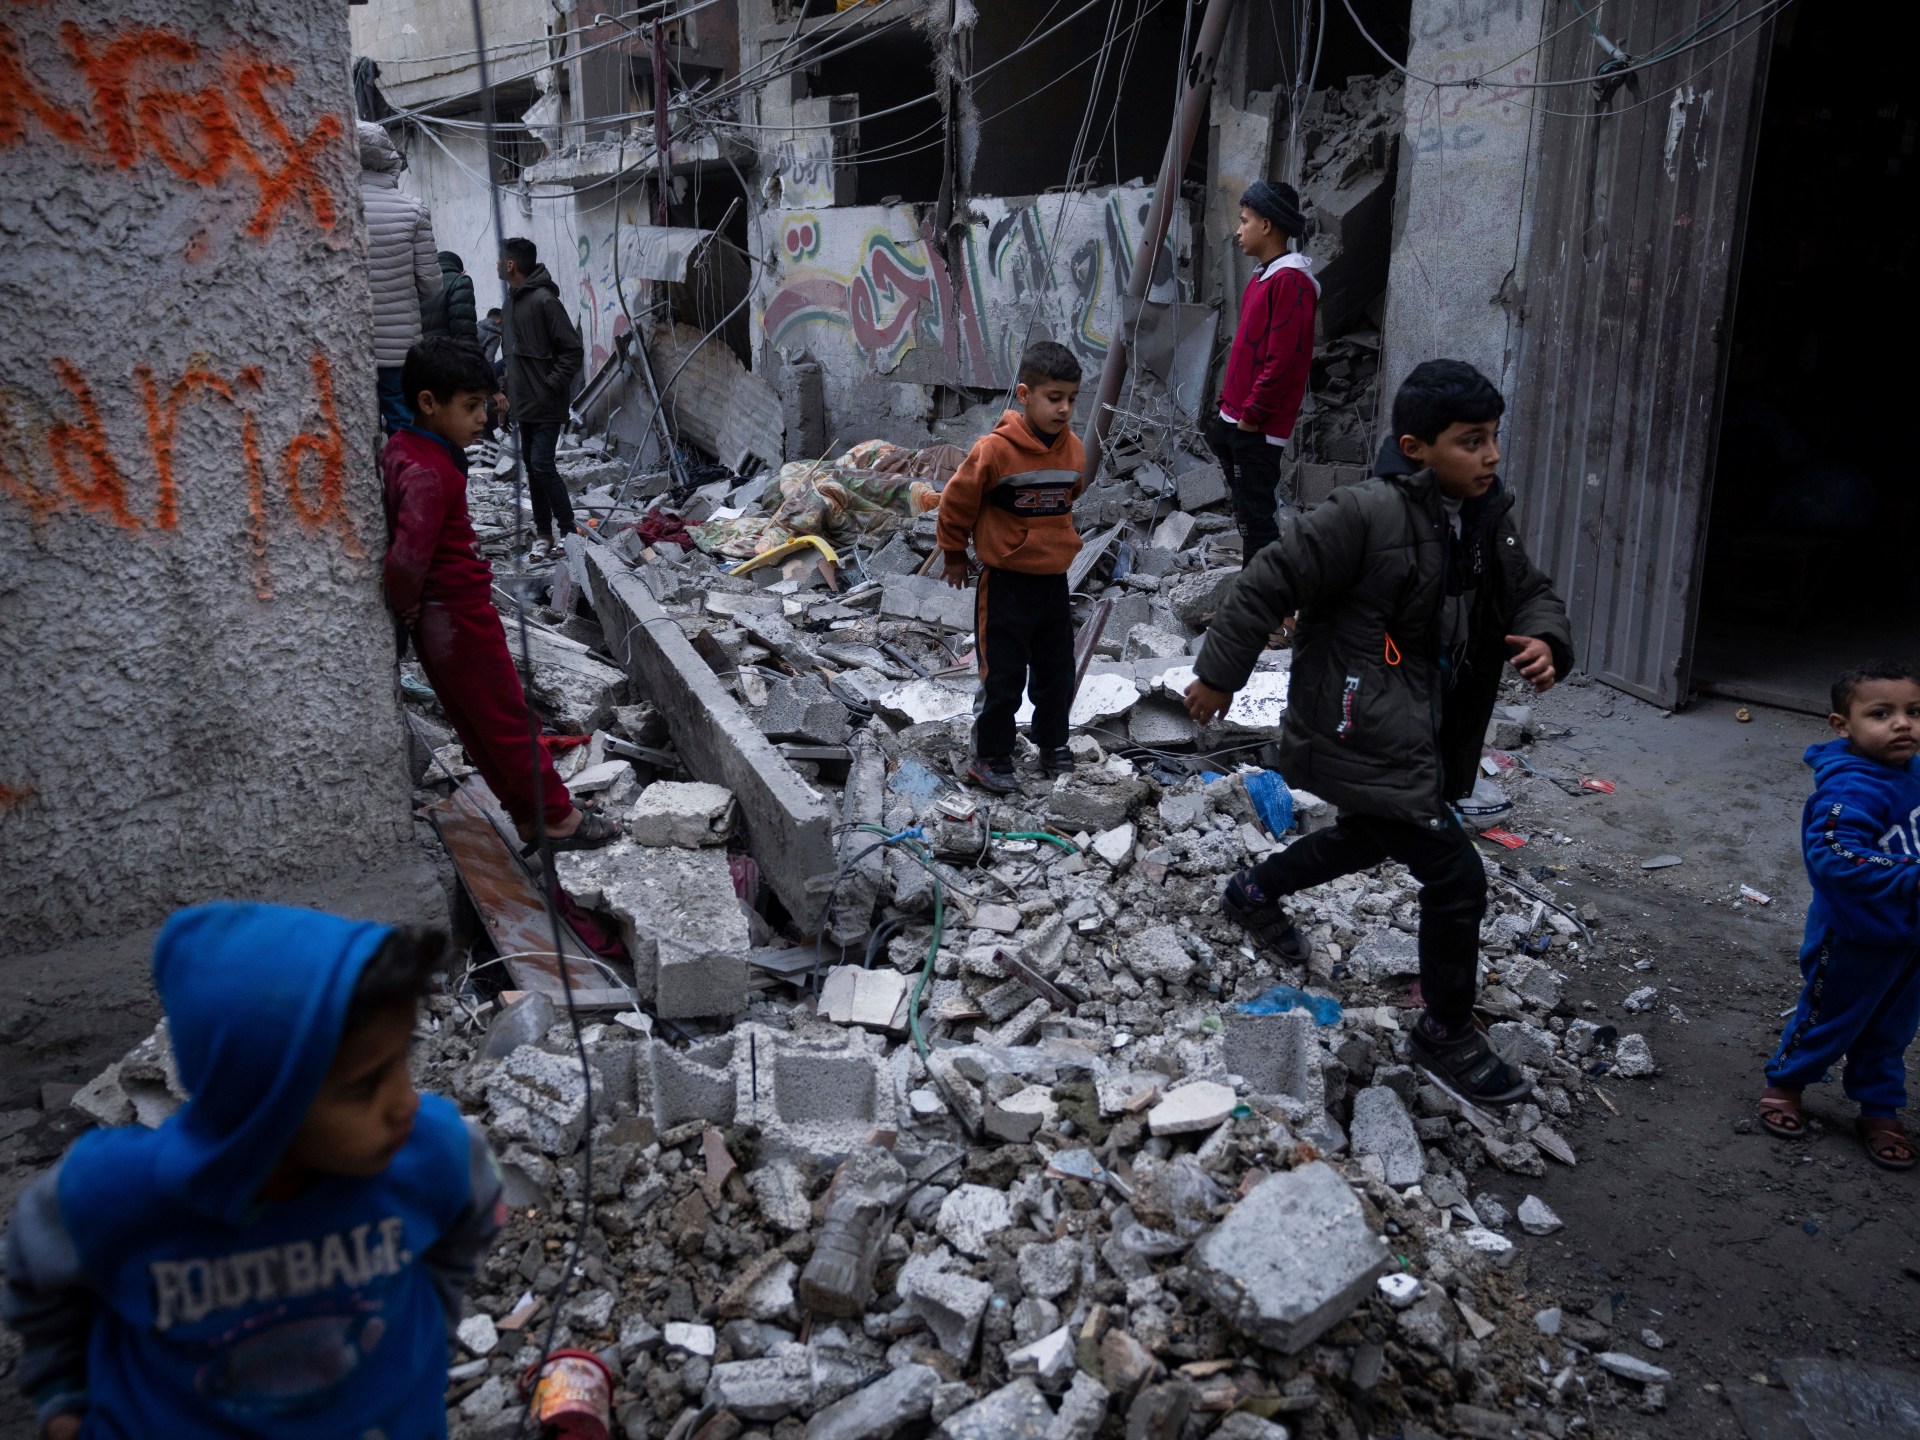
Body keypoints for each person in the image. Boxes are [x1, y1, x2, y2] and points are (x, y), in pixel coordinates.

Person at [1184, 359, 1574, 1106]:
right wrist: (1218, 676)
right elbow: (1269, 578)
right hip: (1364, 722)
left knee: (1371, 831)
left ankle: (1253, 891)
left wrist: (1543, 639)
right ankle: (1444, 1033)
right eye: (1471, 441)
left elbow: (1531, 593)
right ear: (1416, 446)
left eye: (1493, 438)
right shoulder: (1364, 514)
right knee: (1456, 877)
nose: (1490, 456)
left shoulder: (1487, 516)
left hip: (1429, 723)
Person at [2, 903, 504, 1438]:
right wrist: (63, 1396)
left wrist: (431, 1327)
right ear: (259, 1107)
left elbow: (466, 1227)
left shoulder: (432, 1153)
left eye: (401, 1061)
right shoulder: (115, 1195)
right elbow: (41, 1287)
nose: (405, 1103)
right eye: (363, 1087)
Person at [381, 337, 619, 853]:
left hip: (440, 621)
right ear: (428, 403)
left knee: (479, 723)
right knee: (510, 719)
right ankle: (556, 816)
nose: (482, 420)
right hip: (459, 617)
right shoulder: (428, 471)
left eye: (483, 406)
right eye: (470, 408)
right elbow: (405, 558)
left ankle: (529, 814)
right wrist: (407, 601)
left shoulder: (405, 448)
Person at [1759, 661, 1920, 1170]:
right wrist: (1910, 874)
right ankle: (1786, 1083)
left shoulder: (1913, 772)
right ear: (1841, 725)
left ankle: (1879, 1108)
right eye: (1881, 713)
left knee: (1893, 1027)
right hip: (1855, 934)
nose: (1903, 724)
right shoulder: (1848, 789)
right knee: (1830, 1015)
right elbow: (1835, 854)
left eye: (1914, 712)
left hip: (1910, 937)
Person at [936, 339, 1086, 795]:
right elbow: (955, 503)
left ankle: (1052, 744)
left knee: (1056, 673)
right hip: (1005, 584)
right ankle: (990, 756)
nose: (1063, 409)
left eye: (1072, 400)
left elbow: (1069, 498)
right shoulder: (994, 451)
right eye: (1053, 398)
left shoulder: (1074, 451)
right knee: (1002, 675)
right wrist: (955, 553)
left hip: (1053, 584)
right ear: (1025, 395)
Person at [1209, 180, 1318, 559]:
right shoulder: (1263, 276)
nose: (1238, 230)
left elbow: (1282, 361)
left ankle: (1268, 606)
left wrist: (1252, 416)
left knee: (1257, 520)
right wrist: (1227, 404)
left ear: (1267, 226)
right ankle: (1255, 597)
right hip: (1236, 416)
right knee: (1245, 515)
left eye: (1244, 220)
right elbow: (1246, 351)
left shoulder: (1291, 281)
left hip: (1257, 425)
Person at [499, 236, 585, 561]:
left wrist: (550, 385)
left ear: (510, 265)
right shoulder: (510, 304)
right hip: (523, 405)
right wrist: (507, 400)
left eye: (500, 259)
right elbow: (512, 360)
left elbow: (572, 350)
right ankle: (543, 535)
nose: (496, 264)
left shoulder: (544, 301)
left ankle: (568, 531)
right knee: (532, 470)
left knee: (542, 465)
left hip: (546, 404)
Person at [357, 120, 441, 436]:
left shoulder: (332, 209)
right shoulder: (412, 210)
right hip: (399, 354)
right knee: (405, 431)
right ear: (389, 157)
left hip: (350, 351)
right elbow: (432, 285)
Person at [421, 250, 478, 343]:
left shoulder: (419, 284)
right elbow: (464, 331)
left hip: (421, 353)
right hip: (448, 353)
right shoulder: (459, 281)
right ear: (461, 271)